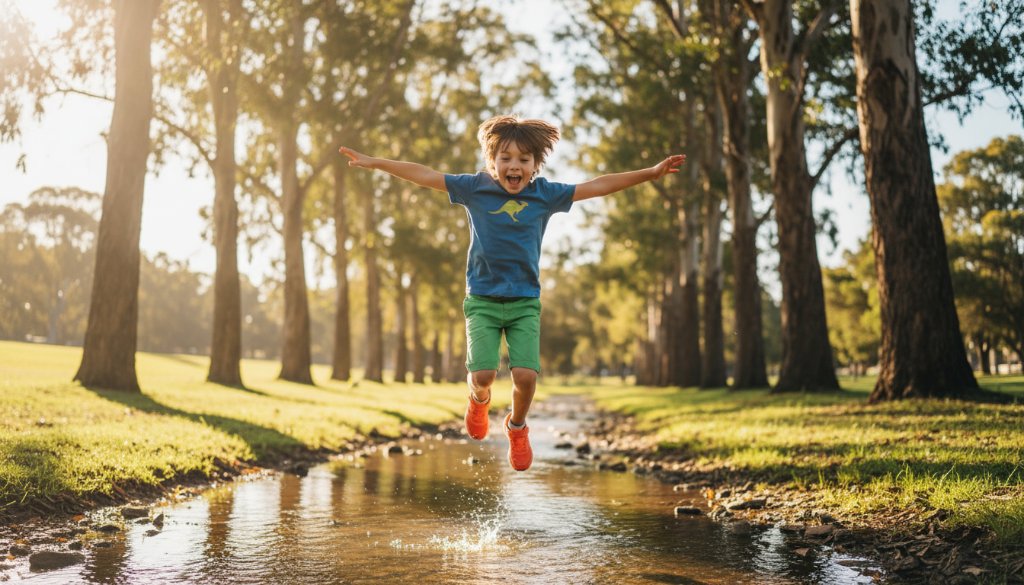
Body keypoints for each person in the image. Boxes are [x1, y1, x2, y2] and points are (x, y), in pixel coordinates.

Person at [339, 115, 684, 471]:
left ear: (535, 165)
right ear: (493, 162)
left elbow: (598, 185)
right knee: (484, 375)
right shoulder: (474, 188)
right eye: (505, 158)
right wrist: (376, 162)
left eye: (523, 159)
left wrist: (651, 173)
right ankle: (478, 399)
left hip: (524, 303)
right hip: (483, 301)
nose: (514, 166)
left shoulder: (545, 194)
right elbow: (424, 174)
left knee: (526, 377)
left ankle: (517, 427)